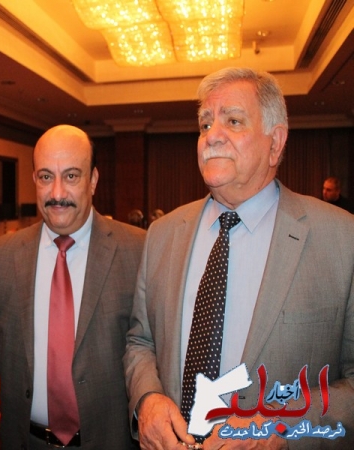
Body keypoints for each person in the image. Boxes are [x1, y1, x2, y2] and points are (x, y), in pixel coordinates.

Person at [124, 67, 354, 450]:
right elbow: (140, 341)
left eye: (233, 121)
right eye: (205, 124)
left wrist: (282, 426)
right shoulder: (162, 235)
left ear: (275, 143)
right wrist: (147, 399)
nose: (211, 136)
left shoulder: (341, 238)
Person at [0, 124, 145, 449]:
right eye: (46, 177)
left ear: (93, 180)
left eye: (71, 176)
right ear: (34, 179)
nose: (57, 193)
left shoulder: (138, 251)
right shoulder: (2, 256)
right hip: (24, 441)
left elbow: (150, 349)